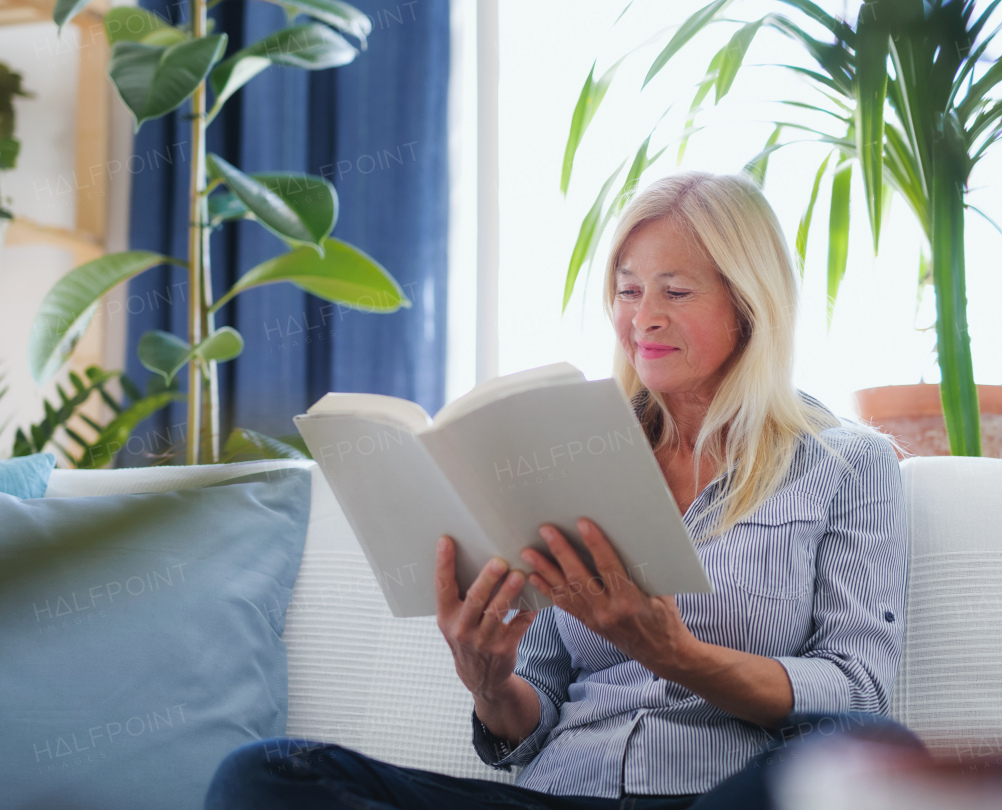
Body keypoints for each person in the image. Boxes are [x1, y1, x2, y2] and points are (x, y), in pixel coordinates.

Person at [205, 171, 926, 810]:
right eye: (628, 290)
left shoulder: (846, 464)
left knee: (869, 749)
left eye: (676, 291)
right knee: (268, 777)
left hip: (725, 793)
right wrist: (489, 683)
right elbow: (536, 705)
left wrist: (678, 654)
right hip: (562, 793)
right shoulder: (569, 453)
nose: (644, 317)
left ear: (749, 304)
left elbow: (856, 690)